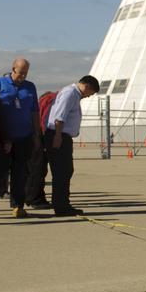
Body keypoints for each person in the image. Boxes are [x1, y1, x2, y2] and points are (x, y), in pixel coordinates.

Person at [0, 57, 42, 218]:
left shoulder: (30, 87)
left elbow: (34, 111)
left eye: (25, 73)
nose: (23, 76)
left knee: (20, 173)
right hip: (2, 137)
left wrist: (36, 134)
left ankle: (17, 205)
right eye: (20, 73)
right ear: (13, 69)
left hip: (24, 136)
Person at [44, 76, 99, 216]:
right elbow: (59, 116)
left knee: (65, 171)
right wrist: (57, 136)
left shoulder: (73, 94)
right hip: (59, 136)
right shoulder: (70, 93)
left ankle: (62, 204)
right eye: (90, 93)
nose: (88, 96)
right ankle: (61, 206)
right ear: (86, 86)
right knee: (62, 171)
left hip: (62, 136)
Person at [25, 90, 57, 209]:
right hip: (39, 138)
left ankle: (32, 196)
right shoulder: (53, 100)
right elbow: (43, 120)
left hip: (36, 136)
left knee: (35, 169)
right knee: (38, 169)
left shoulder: (46, 100)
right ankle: (35, 199)